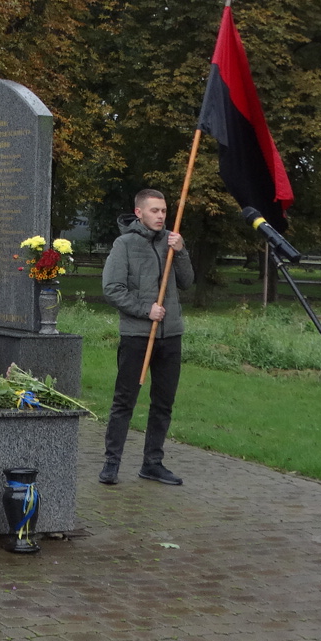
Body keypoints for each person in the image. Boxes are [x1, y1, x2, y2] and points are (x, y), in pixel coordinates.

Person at [100, 188, 194, 486]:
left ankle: (152, 463)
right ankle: (111, 463)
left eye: (164, 211)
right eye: (155, 210)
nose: (161, 216)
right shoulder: (124, 244)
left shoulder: (171, 242)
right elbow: (112, 289)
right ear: (139, 212)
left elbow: (187, 282)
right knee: (124, 401)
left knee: (163, 402)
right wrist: (146, 310)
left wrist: (181, 251)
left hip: (171, 335)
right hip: (137, 335)